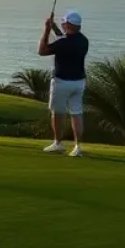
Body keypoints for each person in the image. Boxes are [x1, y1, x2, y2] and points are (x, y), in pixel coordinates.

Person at [38, 10, 89, 157]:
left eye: (64, 23)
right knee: (76, 113)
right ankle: (77, 147)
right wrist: (53, 27)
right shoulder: (83, 41)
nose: (62, 24)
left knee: (58, 113)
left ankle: (58, 143)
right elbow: (64, 38)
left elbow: (42, 51)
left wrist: (47, 31)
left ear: (68, 25)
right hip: (79, 82)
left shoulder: (63, 43)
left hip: (61, 82)